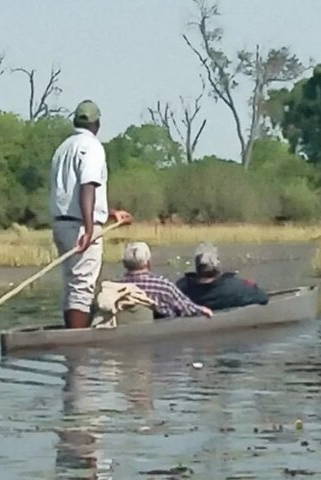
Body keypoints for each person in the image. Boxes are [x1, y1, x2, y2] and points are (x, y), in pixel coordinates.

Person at [50, 99, 133, 329]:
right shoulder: (93, 147)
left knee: (72, 284)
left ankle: (71, 335)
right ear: (97, 124)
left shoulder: (63, 148)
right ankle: (77, 345)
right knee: (82, 286)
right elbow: (87, 186)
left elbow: (73, 193)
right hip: (79, 226)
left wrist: (110, 213)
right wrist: (89, 229)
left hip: (61, 223)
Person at [117, 242, 212, 319]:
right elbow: (187, 308)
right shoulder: (163, 286)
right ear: (149, 263)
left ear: (124, 264)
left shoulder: (115, 289)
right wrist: (203, 310)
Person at [176, 242, 269, 310]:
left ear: (197, 266)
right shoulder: (234, 287)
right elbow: (263, 297)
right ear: (217, 265)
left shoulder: (181, 289)